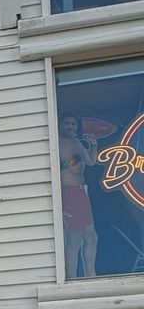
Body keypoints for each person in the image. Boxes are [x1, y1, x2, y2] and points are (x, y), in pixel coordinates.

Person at [61, 115, 100, 278]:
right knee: (74, 238)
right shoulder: (58, 143)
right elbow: (59, 167)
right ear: (60, 125)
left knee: (91, 237)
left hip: (81, 191)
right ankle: (71, 278)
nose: (71, 127)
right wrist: (77, 158)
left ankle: (91, 275)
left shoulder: (77, 142)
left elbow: (91, 161)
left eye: (73, 124)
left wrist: (93, 145)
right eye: (67, 124)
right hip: (68, 192)